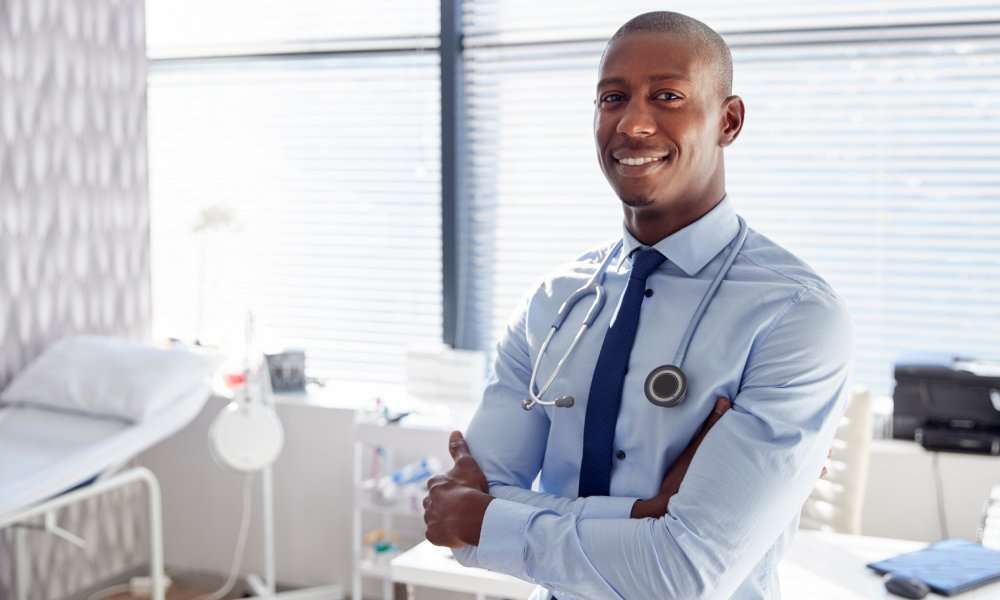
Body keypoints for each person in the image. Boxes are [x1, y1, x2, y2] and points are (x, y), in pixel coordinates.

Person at [422, 10, 852, 600]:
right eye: (613, 97)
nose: (634, 124)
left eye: (668, 96)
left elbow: (681, 573)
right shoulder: (553, 302)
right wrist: (646, 513)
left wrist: (493, 520)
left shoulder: (795, 316)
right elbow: (455, 519)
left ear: (728, 121)